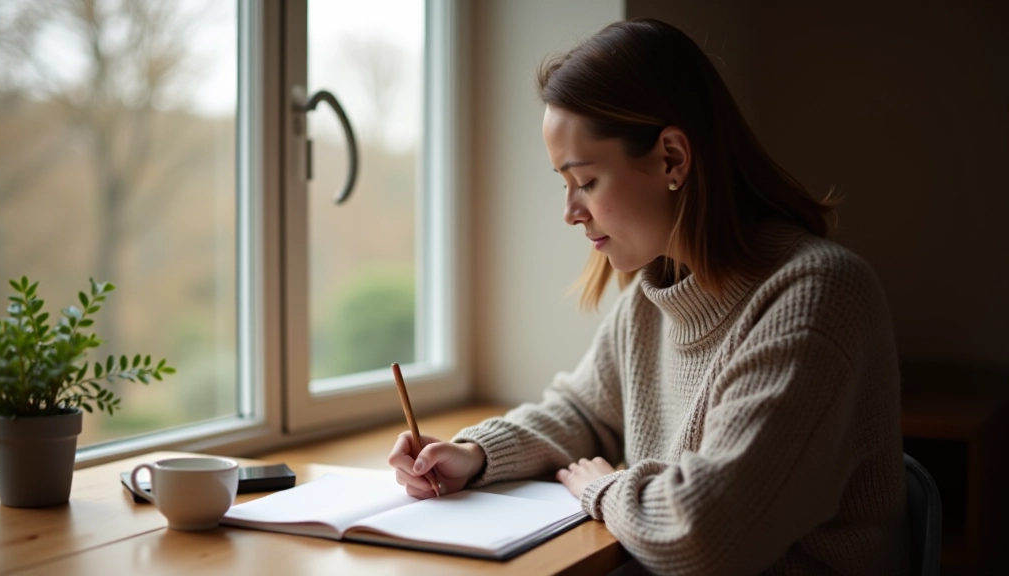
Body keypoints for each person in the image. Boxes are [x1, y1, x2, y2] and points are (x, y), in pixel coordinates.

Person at [388, 18, 910, 575]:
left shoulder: (816, 298)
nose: (570, 212)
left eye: (586, 181)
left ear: (672, 159)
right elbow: (581, 412)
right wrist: (476, 454)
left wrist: (605, 488)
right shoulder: (653, 298)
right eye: (564, 184)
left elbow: (708, 535)